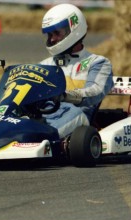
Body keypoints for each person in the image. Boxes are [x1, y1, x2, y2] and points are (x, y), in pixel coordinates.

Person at [39, 3, 114, 138]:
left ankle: (38, 139)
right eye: (50, 34)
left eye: (56, 33)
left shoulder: (98, 63)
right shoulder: (46, 64)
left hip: (77, 115)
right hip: (46, 112)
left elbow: (95, 92)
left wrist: (64, 95)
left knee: (72, 115)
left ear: (73, 30)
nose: (52, 39)